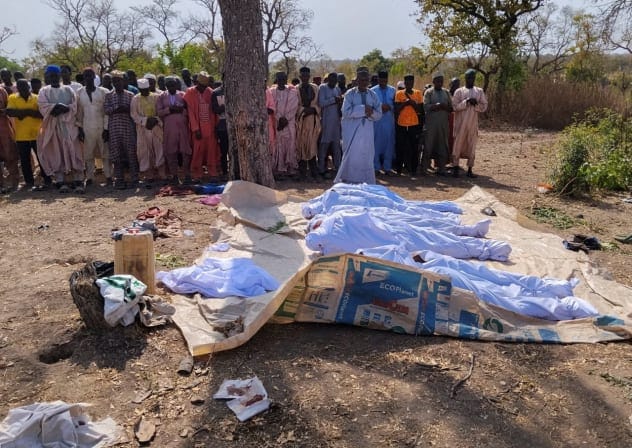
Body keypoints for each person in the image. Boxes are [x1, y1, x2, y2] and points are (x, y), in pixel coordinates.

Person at [37, 65, 84, 193]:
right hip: (53, 127)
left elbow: (74, 106)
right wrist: (56, 106)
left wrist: (65, 108)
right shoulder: (44, 91)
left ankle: (78, 180)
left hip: (69, 125)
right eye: (50, 76)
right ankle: (60, 181)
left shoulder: (68, 89)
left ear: (59, 76)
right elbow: (43, 107)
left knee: (74, 151)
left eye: (55, 75)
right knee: (56, 152)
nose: (53, 78)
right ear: (47, 77)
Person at [334, 67, 383, 184]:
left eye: (366, 80)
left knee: (366, 154)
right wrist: (362, 109)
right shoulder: (350, 94)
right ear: (356, 80)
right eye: (361, 80)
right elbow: (345, 112)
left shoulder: (373, 95)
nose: (364, 82)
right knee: (352, 155)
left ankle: (366, 180)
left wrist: (371, 113)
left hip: (367, 131)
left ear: (369, 81)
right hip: (352, 131)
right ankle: (349, 180)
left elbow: (379, 114)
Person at [5, 79, 50, 189]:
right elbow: (10, 112)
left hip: (37, 134)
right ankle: (29, 182)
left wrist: (22, 113)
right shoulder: (12, 98)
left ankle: (47, 179)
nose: (23, 89)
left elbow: (42, 114)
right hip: (21, 135)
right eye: (20, 87)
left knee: (42, 158)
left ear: (28, 87)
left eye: (25, 87)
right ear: (18, 88)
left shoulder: (37, 97)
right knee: (25, 161)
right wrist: (29, 112)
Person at [76, 68, 111, 186]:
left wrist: (106, 129)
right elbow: (79, 112)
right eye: (86, 76)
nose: (88, 78)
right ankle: (90, 177)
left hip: (101, 126)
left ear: (94, 76)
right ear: (83, 78)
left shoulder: (103, 92)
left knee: (105, 153)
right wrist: (80, 128)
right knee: (88, 154)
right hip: (87, 127)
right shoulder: (79, 93)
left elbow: (106, 112)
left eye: (90, 75)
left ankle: (109, 176)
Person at [104, 70, 138, 189]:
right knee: (116, 155)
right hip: (114, 129)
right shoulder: (108, 95)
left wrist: (126, 109)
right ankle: (119, 179)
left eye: (119, 81)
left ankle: (134, 179)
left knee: (131, 154)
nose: (117, 83)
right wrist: (117, 109)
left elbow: (134, 111)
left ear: (123, 81)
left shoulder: (130, 95)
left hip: (128, 128)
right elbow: (106, 110)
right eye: (115, 81)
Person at [452, 69, 488, 178]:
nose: (470, 79)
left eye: (472, 78)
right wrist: (466, 102)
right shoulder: (459, 91)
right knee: (457, 145)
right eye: (468, 77)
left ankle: (470, 169)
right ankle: (455, 168)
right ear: (465, 78)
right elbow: (454, 107)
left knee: (472, 145)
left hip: (472, 123)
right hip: (460, 123)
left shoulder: (479, 91)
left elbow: (484, 106)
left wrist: (475, 103)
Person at [184, 71, 219, 182]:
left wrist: (215, 127)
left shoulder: (210, 92)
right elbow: (190, 112)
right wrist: (195, 129)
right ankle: (197, 174)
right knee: (197, 152)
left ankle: (213, 173)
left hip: (210, 126)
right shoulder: (190, 92)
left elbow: (214, 111)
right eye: (201, 86)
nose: (203, 88)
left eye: (205, 86)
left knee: (211, 151)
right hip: (197, 128)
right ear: (197, 83)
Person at [131, 78, 165, 187]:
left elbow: (160, 111)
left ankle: (162, 174)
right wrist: (145, 121)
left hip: (156, 127)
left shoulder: (156, 97)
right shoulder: (135, 99)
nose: (145, 92)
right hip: (143, 128)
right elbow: (134, 115)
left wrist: (155, 120)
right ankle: (149, 176)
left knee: (159, 149)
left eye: (146, 89)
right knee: (145, 151)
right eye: (142, 90)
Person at [157, 76, 190, 184]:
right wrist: (169, 110)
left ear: (177, 85)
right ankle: (174, 175)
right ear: (166, 86)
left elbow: (188, 110)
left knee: (185, 151)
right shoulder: (162, 96)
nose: (171, 87)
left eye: (173, 84)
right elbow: (159, 112)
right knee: (171, 151)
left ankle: (186, 174)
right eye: (169, 85)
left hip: (182, 126)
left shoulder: (182, 95)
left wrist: (181, 110)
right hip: (169, 127)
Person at [269, 71, 299, 178]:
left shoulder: (292, 92)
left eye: (283, 79)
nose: (281, 81)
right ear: (277, 80)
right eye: (279, 79)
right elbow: (271, 106)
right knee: (278, 145)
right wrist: (279, 119)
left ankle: (291, 167)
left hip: (289, 122)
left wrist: (285, 119)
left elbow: (294, 107)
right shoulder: (272, 91)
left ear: (286, 79)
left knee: (291, 144)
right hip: (277, 122)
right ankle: (280, 168)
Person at [423, 72, 453, 176]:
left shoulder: (446, 92)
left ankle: (441, 168)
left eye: (441, 81)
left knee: (442, 145)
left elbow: (451, 108)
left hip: (443, 125)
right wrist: (435, 106)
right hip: (431, 125)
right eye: (438, 81)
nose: (440, 83)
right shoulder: (429, 92)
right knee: (428, 145)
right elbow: (425, 106)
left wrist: (444, 106)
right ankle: (425, 168)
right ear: (434, 81)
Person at [394, 74, 423, 177]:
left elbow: (420, 110)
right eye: (407, 83)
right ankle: (398, 170)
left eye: (411, 82)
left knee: (414, 148)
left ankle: (413, 170)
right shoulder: (399, 94)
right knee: (400, 147)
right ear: (405, 83)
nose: (409, 84)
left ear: (413, 83)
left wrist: (412, 103)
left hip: (413, 124)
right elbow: (396, 110)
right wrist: (405, 103)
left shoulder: (418, 93)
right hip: (401, 124)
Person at [295, 67, 321, 181]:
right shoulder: (295, 89)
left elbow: (319, 103)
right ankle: (302, 173)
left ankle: (314, 171)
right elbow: (294, 105)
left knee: (312, 145)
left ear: (309, 76)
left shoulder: (315, 88)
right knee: (300, 145)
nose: (305, 78)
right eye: (303, 76)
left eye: (307, 76)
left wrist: (314, 109)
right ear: (300, 77)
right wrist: (303, 110)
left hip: (313, 121)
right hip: (301, 121)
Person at [317, 72, 342, 178]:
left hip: (336, 121)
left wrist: (339, 102)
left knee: (336, 146)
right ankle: (321, 169)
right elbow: (321, 103)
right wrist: (334, 100)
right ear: (328, 79)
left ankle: (339, 169)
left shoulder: (337, 89)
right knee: (324, 146)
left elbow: (339, 104)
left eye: (335, 80)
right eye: (331, 79)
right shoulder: (322, 88)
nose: (333, 82)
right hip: (326, 121)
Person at [371, 70, 396, 176]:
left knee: (389, 144)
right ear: (378, 80)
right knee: (375, 144)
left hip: (389, 121)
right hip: (377, 121)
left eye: (385, 80)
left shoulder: (393, 90)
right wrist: (380, 107)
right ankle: (376, 167)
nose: (383, 82)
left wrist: (390, 107)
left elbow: (397, 105)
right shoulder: (372, 91)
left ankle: (387, 168)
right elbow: (369, 105)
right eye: (381, 80)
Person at [0, 86, 19, 193]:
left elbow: (9, 108)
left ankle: (14, 184)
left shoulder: (1, 91)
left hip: (4, 127)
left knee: (10, 155)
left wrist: (4, 111)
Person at [211, 77, 230, 178]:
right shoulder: (216, 92)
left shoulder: (236, 90)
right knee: (224, 150)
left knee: (235, 151)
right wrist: (223, 107)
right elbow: (214, 109)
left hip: (235, 125)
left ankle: (236, 172)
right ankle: (225, 173)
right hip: (222, 125)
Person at [448, 77, 460, 157]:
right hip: (447, 119)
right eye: (454, 84)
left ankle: (454, 160)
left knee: (455, 140)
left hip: (457, 119)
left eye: (457, 84)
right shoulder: (446, 94)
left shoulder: (460, 94)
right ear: (450, 84)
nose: (455, 86)